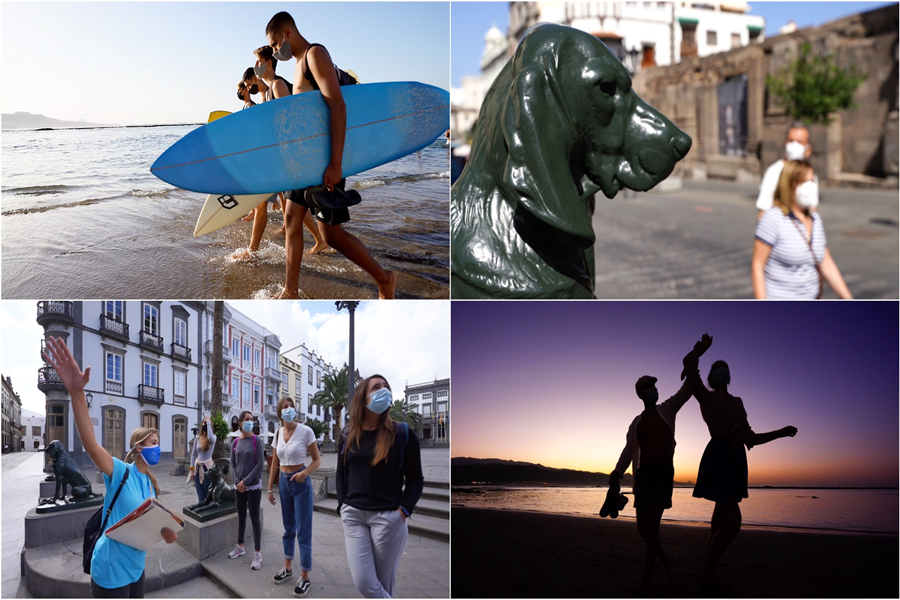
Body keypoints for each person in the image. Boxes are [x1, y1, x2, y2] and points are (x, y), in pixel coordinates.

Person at [265, 11, 396, 300]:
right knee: (291, 221)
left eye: (275, 45)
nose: (276, 52)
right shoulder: (299, 64)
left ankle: (384, 278)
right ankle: (290, 291)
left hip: (325, 163)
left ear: (288, 33)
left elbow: (337, 106)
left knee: (330, 236)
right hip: (305, 164)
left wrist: (336, 163)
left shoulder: (315, 55)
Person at [42, 337, 177, 597]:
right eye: (154, 442)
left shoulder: (149, 484)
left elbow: (144, 525)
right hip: (110, 569)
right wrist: (76, 392)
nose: (158, 447)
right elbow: (91, 444)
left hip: (136, 568)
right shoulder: (120, 472)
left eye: (159, 443)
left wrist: (164, 531)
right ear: (139, 447)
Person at [682, 334, 798, 593]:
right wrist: (700, 349)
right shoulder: (705, 396)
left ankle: (706, 573)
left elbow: (751, 439)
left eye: (724, 370)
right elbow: (689, 363)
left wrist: (780, 432)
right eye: (716, 370)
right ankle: (705, 573)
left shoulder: (738, 403)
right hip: (719, 458)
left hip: (735, 460)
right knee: (732, 523)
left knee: (719, 522)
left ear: (729, 377)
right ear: (711, 379)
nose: (721, 373)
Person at [608, 360, 699, 591]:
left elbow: (687, 390)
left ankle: (646, 579)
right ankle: (667, 563)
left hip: (662, 476)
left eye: (654, 387)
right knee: (642, 529)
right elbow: (628, 451)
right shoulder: (636, 423)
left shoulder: (667, 409)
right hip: (644, 478)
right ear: (642, 394)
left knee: (653, 528)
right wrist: (617, 472)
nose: (654, 390)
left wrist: (694, 361)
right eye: (649, 388)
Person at [336, 375, 423, 598]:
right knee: (365, 583)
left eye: (386, 387)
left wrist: (402, 512)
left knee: (383, 583)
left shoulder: (402, 433)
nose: (383, 390)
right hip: (354, 515)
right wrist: (342, 505)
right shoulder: (347, 434)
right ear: (363, 398)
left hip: (387, 517)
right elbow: (342, 473)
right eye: (376, 387)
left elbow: (415, 480)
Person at [752, 160, 852, 299]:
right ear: (790, 184)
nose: (811, 186)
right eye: (805, 181)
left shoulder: (815, 220)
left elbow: (826, 263)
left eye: (812, 181)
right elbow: (758, 266)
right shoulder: (773, 218)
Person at [267, 397, 321, 597]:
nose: (289, 409)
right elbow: (273, 463)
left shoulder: (306, 431)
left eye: (291, 406)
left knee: (303, 530)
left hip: (300, 483)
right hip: (282, 481)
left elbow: (316, 460)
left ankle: (305, 576)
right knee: (288, 528)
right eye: (285, 407)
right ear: (280, 412)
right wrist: (269, 488)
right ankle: (287, 568)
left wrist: (304, 474)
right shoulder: (278, 433)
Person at [227, 411, 266, 570]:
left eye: (252, 419)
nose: (251, 422)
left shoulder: (257, 441)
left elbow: (260, 464)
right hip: (239, 487)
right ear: (241, 423)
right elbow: (232, 464)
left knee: (255, 519)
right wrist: (238, 482)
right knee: (241, 517)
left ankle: (257, 553)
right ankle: (240, 546)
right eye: (247, 419)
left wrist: (246, 482)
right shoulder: (235, 442)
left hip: (254, 486)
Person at [756, 121, 818, 219]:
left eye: (799, 142)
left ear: (808, 150)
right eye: (791, 140)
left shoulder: (809, 173)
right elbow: (763, 208)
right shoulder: (774, 171)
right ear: (785, 143)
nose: (794, 145)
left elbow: (812, 209)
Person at [189, 415, 217, 503]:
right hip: (198, 468)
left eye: (207, 422)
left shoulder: (213, 438)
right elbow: (193, 455)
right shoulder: (197, 438)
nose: (205, 424)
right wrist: (191, 469)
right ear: (201, 425)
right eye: (204, 422)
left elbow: (210, 438)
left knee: (207, 496)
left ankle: (209, 515)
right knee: (200, 496)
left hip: (208, 469)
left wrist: (208, 422)